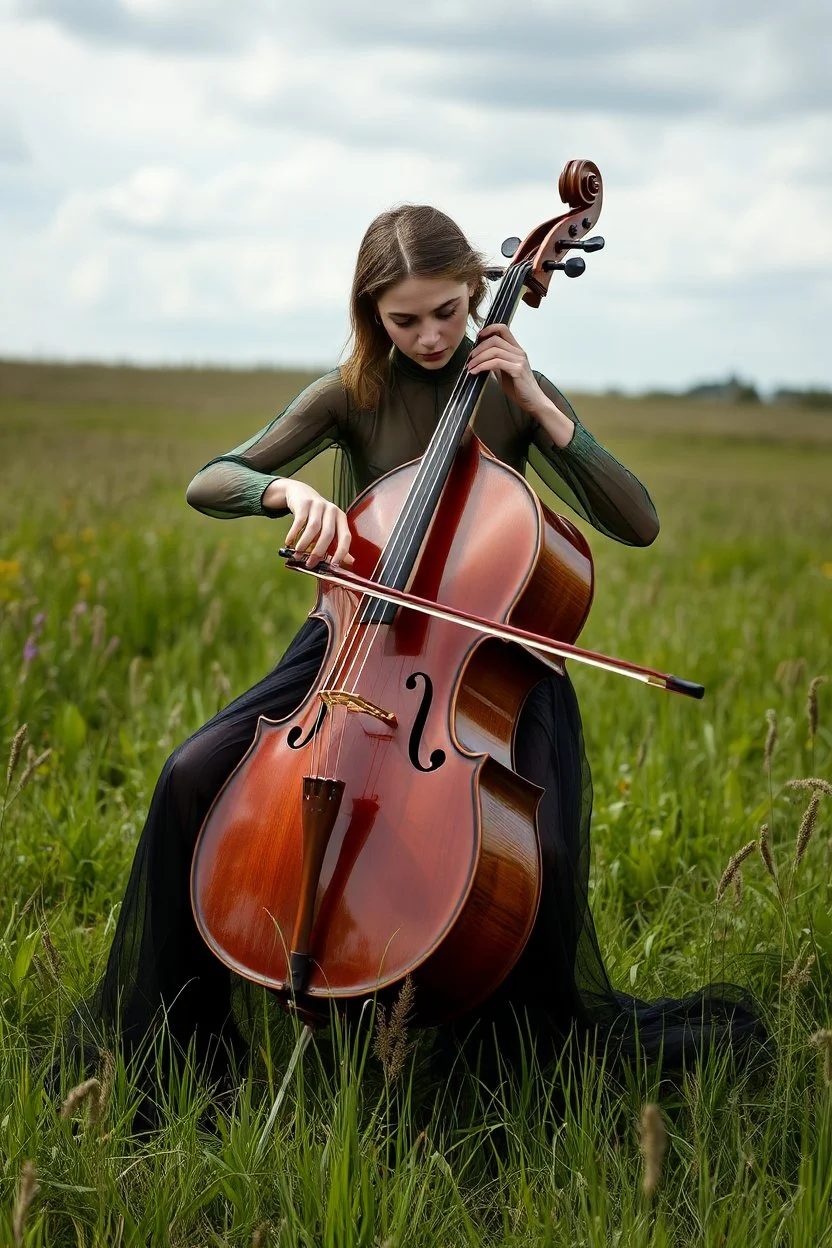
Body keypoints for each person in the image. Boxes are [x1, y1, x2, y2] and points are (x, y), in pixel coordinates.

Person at [86, 204, 764, 1088]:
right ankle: (188, 1048)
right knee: (188, 775)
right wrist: (285, 497)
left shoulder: (511, 388)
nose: (432, 335)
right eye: (404, 320)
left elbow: (636, 520)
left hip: (485, 662)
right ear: (372, 314)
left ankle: (497, 1058)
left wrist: (535, 404)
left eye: (447, 311)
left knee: (537, 856)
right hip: (356, 640)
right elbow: (210, 479)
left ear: (477, 290)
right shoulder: (353, 392)